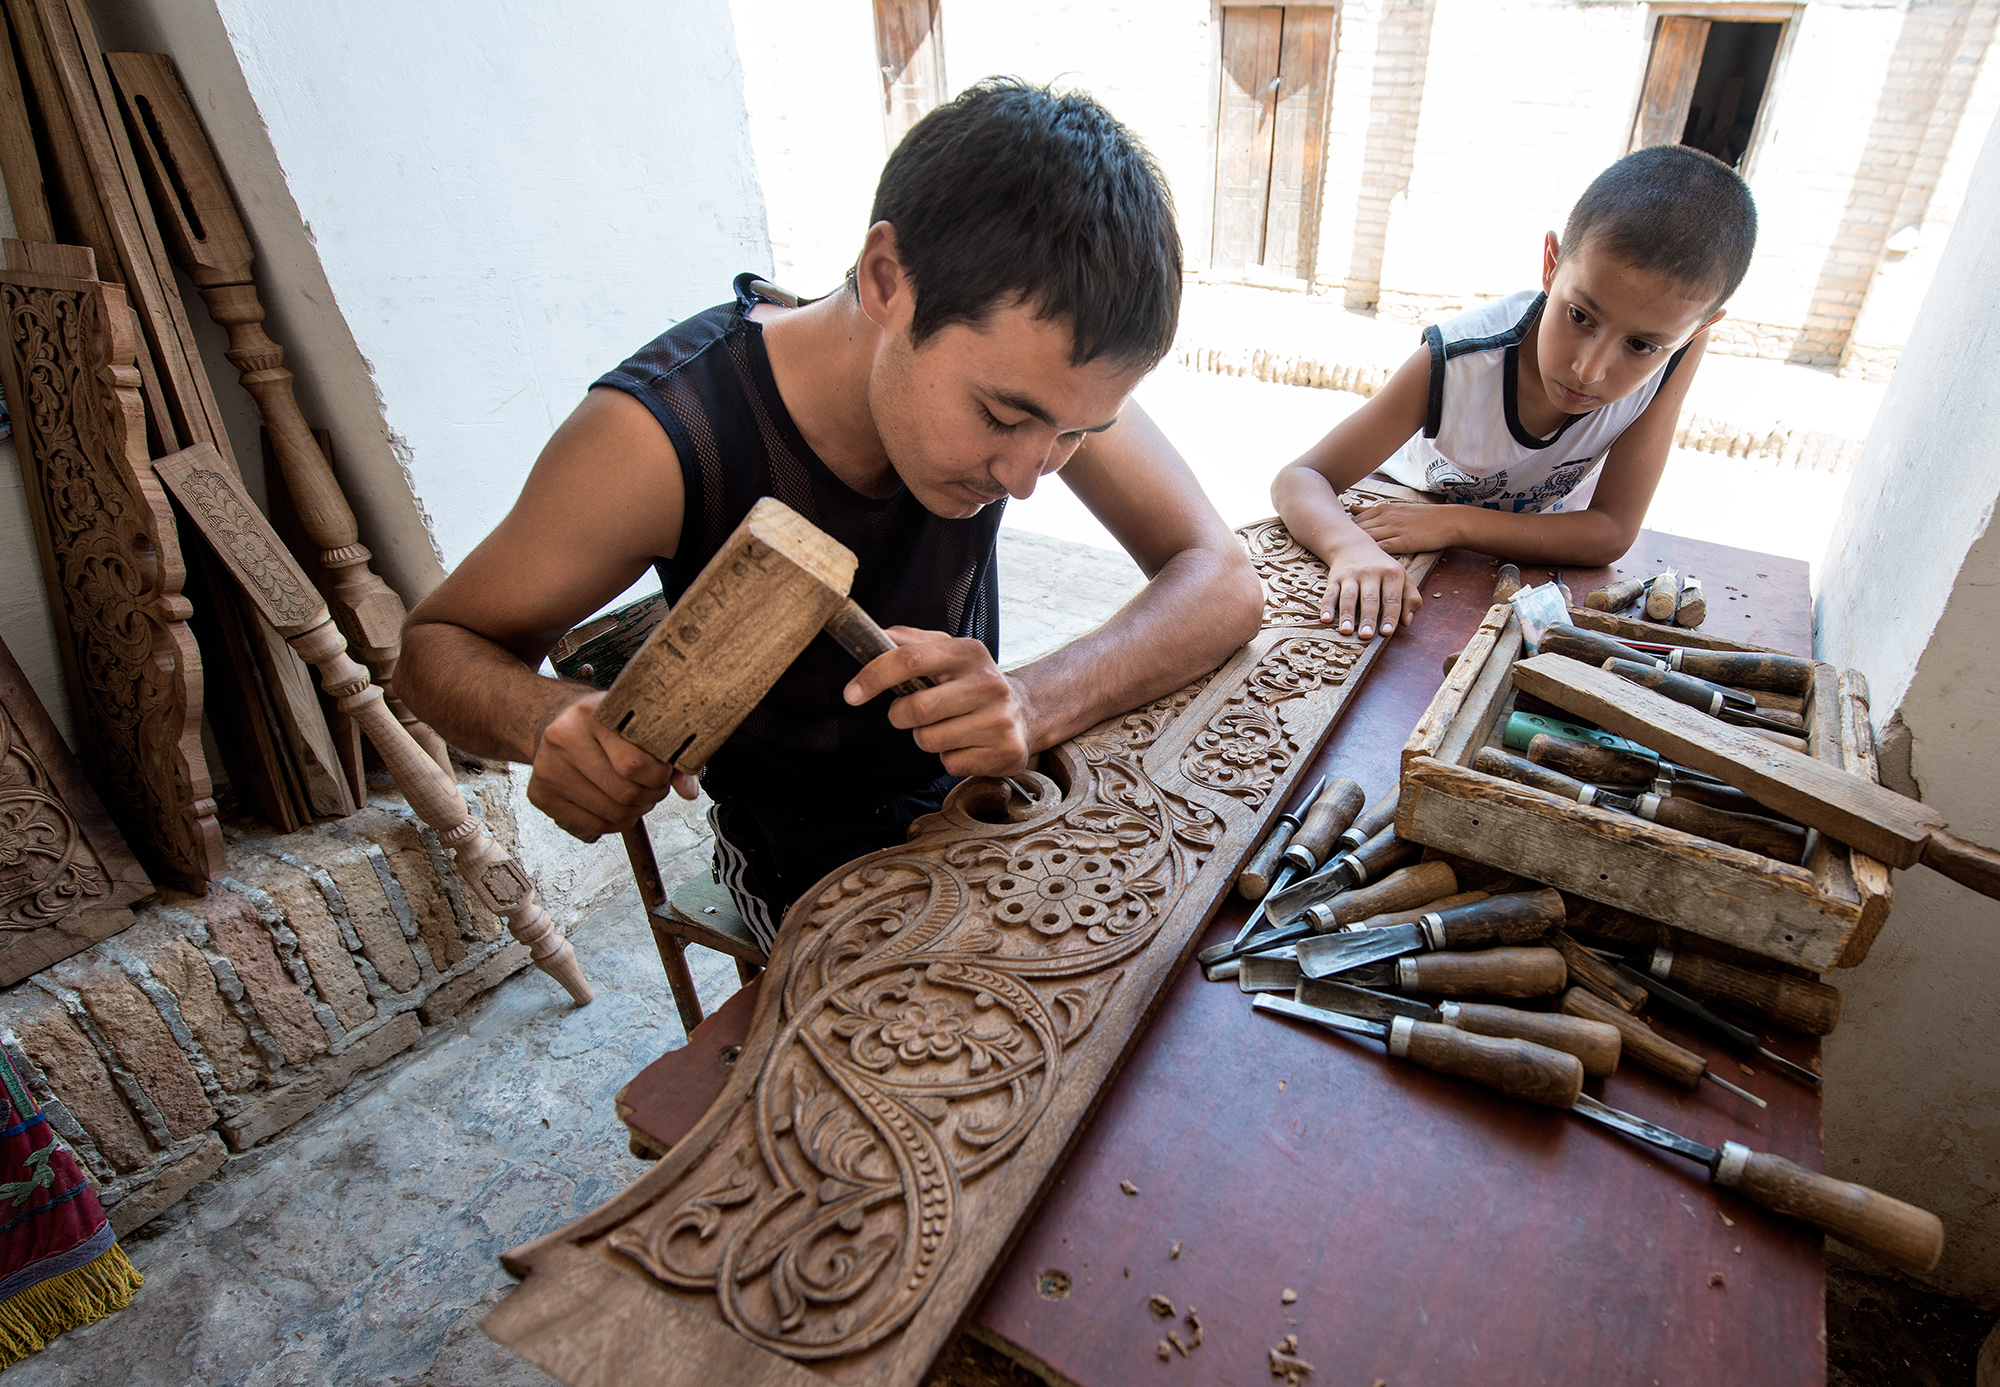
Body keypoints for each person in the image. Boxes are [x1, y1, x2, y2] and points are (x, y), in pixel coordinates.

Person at [397, 80, 1264, 952]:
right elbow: (432, 651)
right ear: (889, 281)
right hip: (803, 858)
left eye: (1078, 434)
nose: (1026, 476)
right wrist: (546, 720)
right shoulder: (660, 437)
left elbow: (1222, 579)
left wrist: (1034, 701)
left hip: (976, 805)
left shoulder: (1045, 377)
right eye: (1001, 420)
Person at [1272, 144, 1757, 642]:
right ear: (1550, 265)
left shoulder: (1676, 355)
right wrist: (1347, 548)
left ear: (1696, 332)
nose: (1588, 370)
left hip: (1491, 534)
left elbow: (1611, 530)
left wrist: (1458, 524)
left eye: (1640, 345)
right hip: (1407, 507)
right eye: (1580, 316)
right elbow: (1301, 478)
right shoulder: (1460, 360)